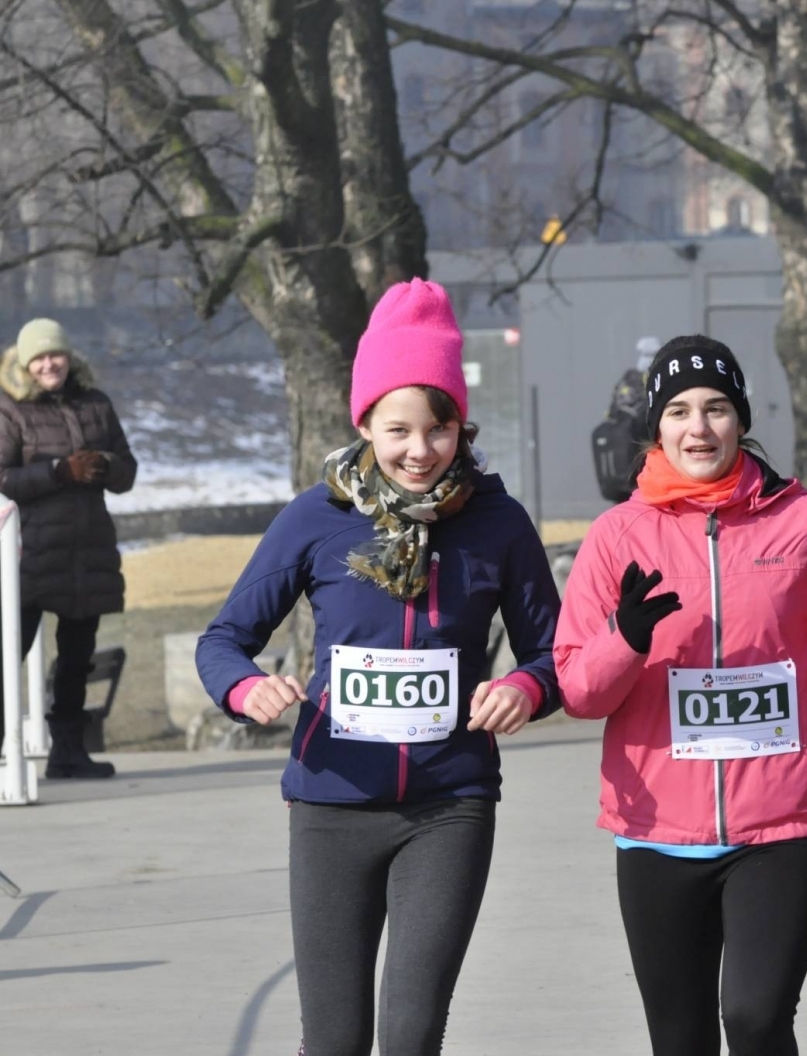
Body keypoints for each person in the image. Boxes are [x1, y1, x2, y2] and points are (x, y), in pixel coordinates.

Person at [195, 279, 562, 1056]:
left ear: (461, 427)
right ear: (363, 422)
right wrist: (244, 685)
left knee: (411, 1033)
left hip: (450, 805)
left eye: (440, 429)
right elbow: (222, 639)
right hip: (331, 805)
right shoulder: (315, 519)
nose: (420, 450)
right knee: (333, 1042)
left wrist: (526, 686)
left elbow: (553, 652)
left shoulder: (497, 523)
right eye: (399, 430)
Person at [555, 334, 807, 1056]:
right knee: (680, 1039)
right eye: (678, 412)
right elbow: (578, 688)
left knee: (757, 1018)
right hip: (658, 828)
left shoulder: (802, 522)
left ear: (741, 419)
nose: (698, 428)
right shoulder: (615, 537)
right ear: (656, 426)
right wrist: (625, 639)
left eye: (716, 408)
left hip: (781, 822)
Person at [0, 319, 137, 778]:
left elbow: (128, 472)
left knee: (76, 659)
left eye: (54, 354)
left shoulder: (96, 403)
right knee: (8, 655)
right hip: (27, 555)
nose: (48, 364)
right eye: (38, 358)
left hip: (87, 552)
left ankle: (68, 754)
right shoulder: (9, 407)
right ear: (25, 363)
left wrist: (104, 466)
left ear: (68, 357)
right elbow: (2, 479)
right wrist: (60, 471)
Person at [593, 336, 663, 503]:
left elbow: (611, 413)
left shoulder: (626, 381)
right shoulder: (654, 380)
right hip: (643, 467)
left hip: (626, 469)